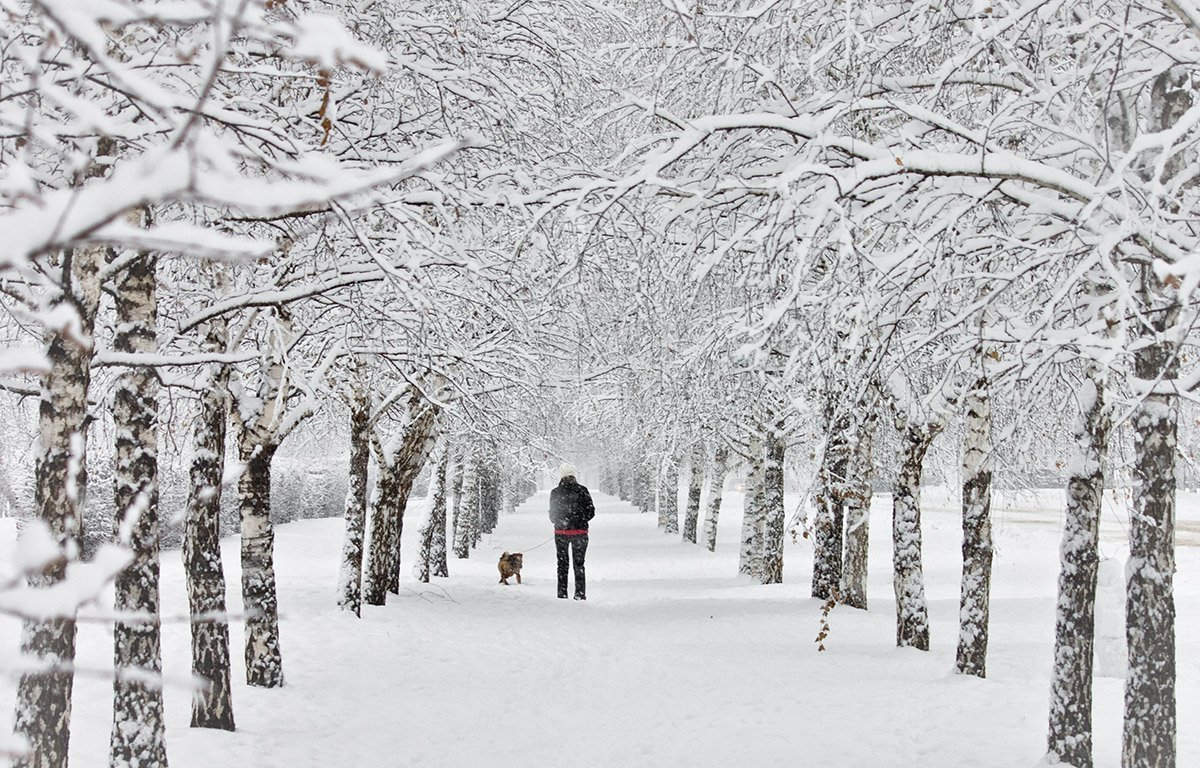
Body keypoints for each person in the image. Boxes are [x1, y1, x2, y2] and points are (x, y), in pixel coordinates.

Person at [549, 462, 595, 600]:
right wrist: (580, 520)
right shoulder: (583, 490)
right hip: (580, 534)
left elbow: (552, 516)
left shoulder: (555, 493)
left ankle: (562, 594)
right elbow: (591, 511)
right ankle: (580, 594)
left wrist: (562, 521)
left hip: (561, 534)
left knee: (562, 564)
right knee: (579, 564)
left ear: (561, 476)